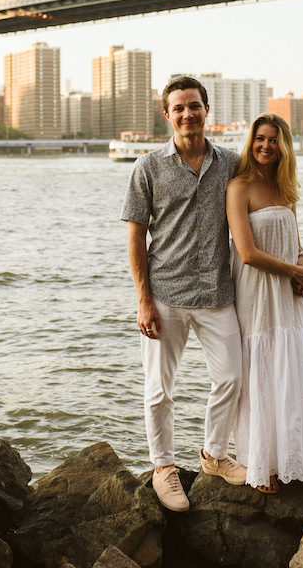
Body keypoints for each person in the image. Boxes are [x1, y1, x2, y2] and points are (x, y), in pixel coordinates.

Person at [121, 75, 249, 513]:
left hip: (217, 294)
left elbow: (267, 204)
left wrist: (299, 254)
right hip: (165, 296)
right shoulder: (147, 168)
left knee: (232, 376)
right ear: (167, 115)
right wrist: (143, 301)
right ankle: (163, 468)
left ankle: (214, 455)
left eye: (194, 106)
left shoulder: (232, 163)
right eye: (179, 108)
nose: (187, 114)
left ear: (206, 111)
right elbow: (136, 239)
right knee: (159, 389)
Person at [226, 113, 303, 494]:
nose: (265, 146)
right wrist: (293, 271)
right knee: (264, 372)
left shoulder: (286, 189)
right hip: (257, 293)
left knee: (297, 370)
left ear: (283, 145)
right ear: (250, 142)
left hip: (289, 296)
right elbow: (247, 252)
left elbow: (298, 242)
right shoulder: (239, 187)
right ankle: (264, 463)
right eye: (259, 139)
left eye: (273, 140)